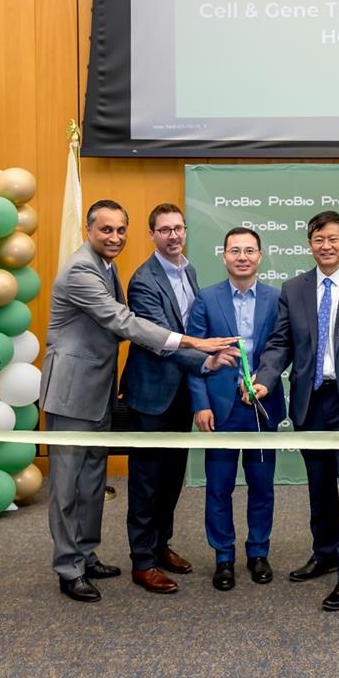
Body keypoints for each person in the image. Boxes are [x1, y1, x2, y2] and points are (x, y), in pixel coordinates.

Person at [40, 199, 235, 603]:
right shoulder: (82, 270)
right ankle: (68, 567)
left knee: (93, 481)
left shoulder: (110, 267)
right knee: (67, 487)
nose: (114, 237)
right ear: (89, 231)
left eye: (119, 230)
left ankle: (87, 554)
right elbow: (123, 322)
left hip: (100, 391)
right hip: (73, 392)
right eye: (106, 230)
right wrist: (196, 346)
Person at [251, 211, 339, 611]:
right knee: (319, 485)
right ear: (309, 245)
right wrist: (265, 378)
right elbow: (280, 345)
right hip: (311, 402)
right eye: (317, 240)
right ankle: (325, 552)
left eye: (332, 239)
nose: (325, 246)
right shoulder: (293, 289)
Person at [186, 228, 284, 591]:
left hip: (261, 405)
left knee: (262, 487)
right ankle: (223, 556)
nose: (242, 257)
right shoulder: (206, 299)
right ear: (224, 256)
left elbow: (281, 347)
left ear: (259, 256)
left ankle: (258, 552)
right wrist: (200, 403)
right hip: (220, 408)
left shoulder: (277, 299)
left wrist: (266, 379)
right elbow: (194, 355)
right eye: (234, 251)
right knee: (218, 487)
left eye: (249, 251)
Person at [119, 203, 208, 594]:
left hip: (181, 394)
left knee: (172, 476)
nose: (173, 236)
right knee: (146, 481)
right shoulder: (143, 280)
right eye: (164, 230)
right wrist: (209, 361)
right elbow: (160, 341)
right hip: (151, 395)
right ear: (152, 234)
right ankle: (142, 561)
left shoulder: (188, 270)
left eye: (178, 228)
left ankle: (161, 545)